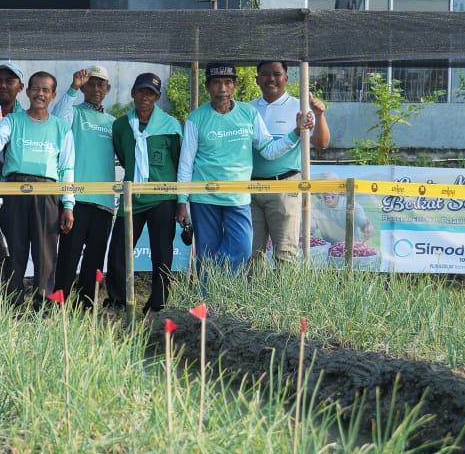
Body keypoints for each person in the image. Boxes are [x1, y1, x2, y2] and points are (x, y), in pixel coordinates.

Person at [176, 63, 315, 275]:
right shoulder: (196, 118)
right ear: (207, 87)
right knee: (206, 253)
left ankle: (220, 285)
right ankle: (206, 303)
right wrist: (182, 202)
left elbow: (268, 150)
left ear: (235, 86)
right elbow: (186, 163)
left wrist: (296, 132)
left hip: (238, 198)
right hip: (204, 198)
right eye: (216, 83)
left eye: (227, 83)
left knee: (242, 250)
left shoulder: (248, 114)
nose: (222, 88)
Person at [0, 70, 74, 305]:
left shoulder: (61, 128)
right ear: (27, 90)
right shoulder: (12, 120)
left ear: (53, 95)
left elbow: (66, 169)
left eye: (46, 90)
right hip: (14, 190)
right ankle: (11, 302)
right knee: (13, 249)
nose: (40, 94)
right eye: (36, 88)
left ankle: (43, 304)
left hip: (48, 192)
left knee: (45, 253)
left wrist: (68, 204)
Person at [106, 72, 182, 313]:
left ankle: (158, 303)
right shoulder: (121, 125)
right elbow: (123, 155)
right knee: (119, 248)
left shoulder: (171, 125)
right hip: (132, 198)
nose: (145, 97)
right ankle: (118, 300)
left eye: (150, 93)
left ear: (157, 97)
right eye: (141, 91)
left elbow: (179, 162)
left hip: (163, 198)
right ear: (133, 93)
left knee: (162, 252)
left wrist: (182, 201)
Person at [248, 60, 331, 265]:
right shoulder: (248, 109)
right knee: (251, 253)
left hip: (285, 187)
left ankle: (285, 297)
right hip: (249, 188)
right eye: (265, 74)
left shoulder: (300, 106)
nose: (271, 79)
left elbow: (322, 143)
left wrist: (319, 116)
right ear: (257, 79)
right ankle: (251, 297)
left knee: (285, 252)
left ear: (286, 78)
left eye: (277, 74)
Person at [52, 67, 116, 307]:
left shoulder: (113, 122)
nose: (96, 89)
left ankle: (86, 306)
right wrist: (73, 88)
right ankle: (57, 305)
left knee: (95, 260)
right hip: (76, 200)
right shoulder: (74, 113)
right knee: (68, 257)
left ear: (108, 90)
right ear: (85, 87)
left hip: (105, 203)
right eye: (91, 84)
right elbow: (57, 120)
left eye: (101, 85)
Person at [312, 174, 373, 245]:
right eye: (323, 187)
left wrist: (368, 229)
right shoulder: (315, 207)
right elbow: (308, 229)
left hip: (352, 251)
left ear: (339, 190)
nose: (327, 191)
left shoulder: (352, 205)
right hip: (330, 252)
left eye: (332, 187)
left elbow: (365, 225)